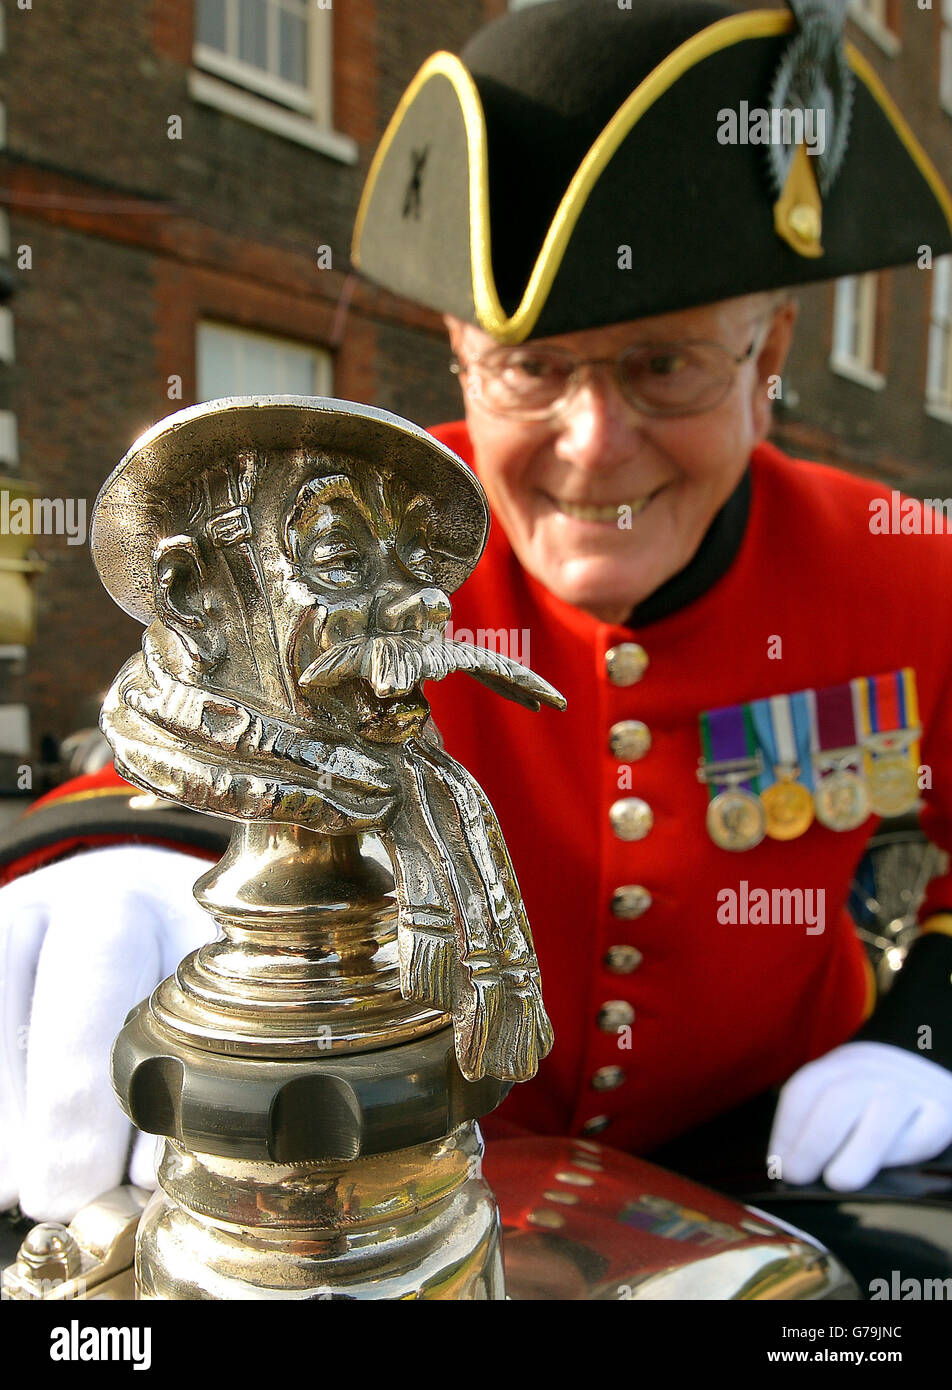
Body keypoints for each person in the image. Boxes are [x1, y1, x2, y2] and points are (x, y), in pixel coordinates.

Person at [3, 0, 952, 1225]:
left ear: (768, 358)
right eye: (532, 366)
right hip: (404, 1188)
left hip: (776, 1173)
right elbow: (190, 706)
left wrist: (925, 1029)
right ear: (460, 358)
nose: (594, 447)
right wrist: (113, 849)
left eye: (665, 365)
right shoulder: (333, 542)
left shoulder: (908, 568)